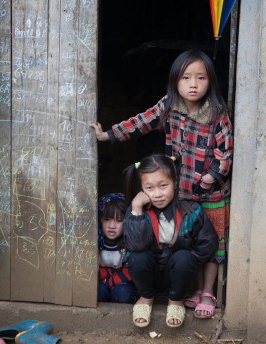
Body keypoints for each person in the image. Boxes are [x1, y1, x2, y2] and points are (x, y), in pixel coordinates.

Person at [90, 49, 233, 319]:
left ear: (210, 81)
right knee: (184, 243)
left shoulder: (217, 113)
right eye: (186, 77)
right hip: (179, 193)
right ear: (174, 81)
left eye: (201, 78)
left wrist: (214, 175)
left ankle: (207, 292)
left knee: (212, 244)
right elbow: (142, 121)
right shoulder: (169, 107)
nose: (193, 84)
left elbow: (225, 150)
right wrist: (108, 135)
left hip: (211, 192)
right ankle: (184, 292)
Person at [122, 154, 218, 328]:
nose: (157, 194)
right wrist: (136, 209)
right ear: (142, 189)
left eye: (163, 186)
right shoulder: (137, 210)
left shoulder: (190, 210)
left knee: (184, 257)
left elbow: (208, 243)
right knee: (137, 256)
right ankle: (146, 297)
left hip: (179, 278)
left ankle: (175, 300)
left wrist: (185, 261)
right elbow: (135, 245)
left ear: (175, 182)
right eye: (149, 188)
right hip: (148, 277)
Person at [97, 193, 137, 304]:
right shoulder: (94, 243)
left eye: (119, 221)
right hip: (101, 282)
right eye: (107, 219)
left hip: (122, 283)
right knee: (96, 291)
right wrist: (105, 278)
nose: (112, 225)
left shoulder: (129, 244)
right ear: (100, 220)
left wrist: (109, 281)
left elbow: (129, 271)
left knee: (124, 293)